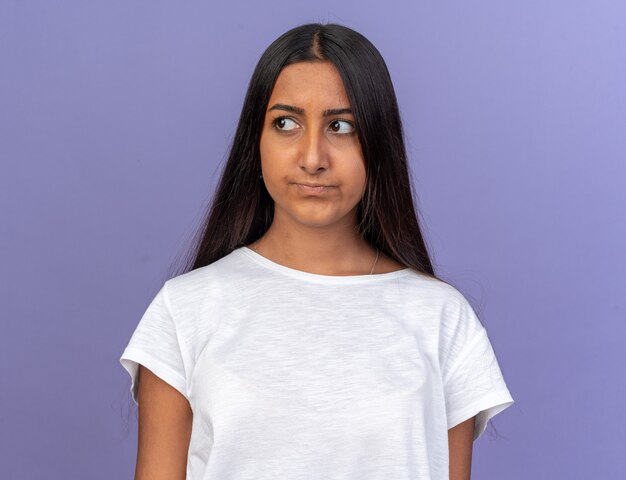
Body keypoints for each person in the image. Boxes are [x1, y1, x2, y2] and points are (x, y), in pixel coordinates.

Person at [119, 22, 514, 480]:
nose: (312, 157)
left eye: (341, 126)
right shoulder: (185, 311)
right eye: (285, 123)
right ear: (256, 142)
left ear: (379, 142)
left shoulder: (442, 319)